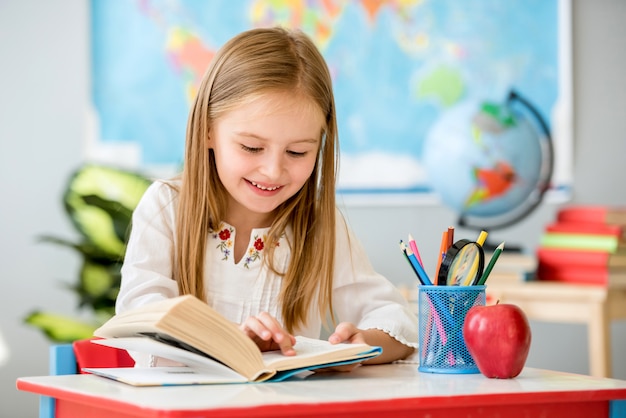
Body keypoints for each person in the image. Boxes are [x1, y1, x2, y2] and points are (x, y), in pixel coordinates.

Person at [116, 26, 418, 369]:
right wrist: (230, 340)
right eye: (251, 147)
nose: (273, 171)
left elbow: (396, 319)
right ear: (208, 131)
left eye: (297, 152)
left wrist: (363, 345)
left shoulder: (317, 224)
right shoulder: (166, 207)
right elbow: (142, 321)